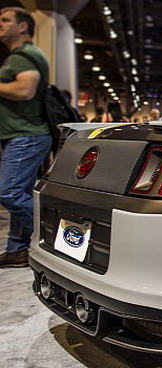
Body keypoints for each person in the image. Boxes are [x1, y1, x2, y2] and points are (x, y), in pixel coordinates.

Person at [0, 7, 52, 267]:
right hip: (22, 135)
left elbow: (24, 89)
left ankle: (52, 233)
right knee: (19, 191)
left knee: (9, 192)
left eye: (5, 20)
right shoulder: (22, 55)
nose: (0, 24)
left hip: (26, 135)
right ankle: (17, 249)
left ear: (22, 27)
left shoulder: (25, 55)